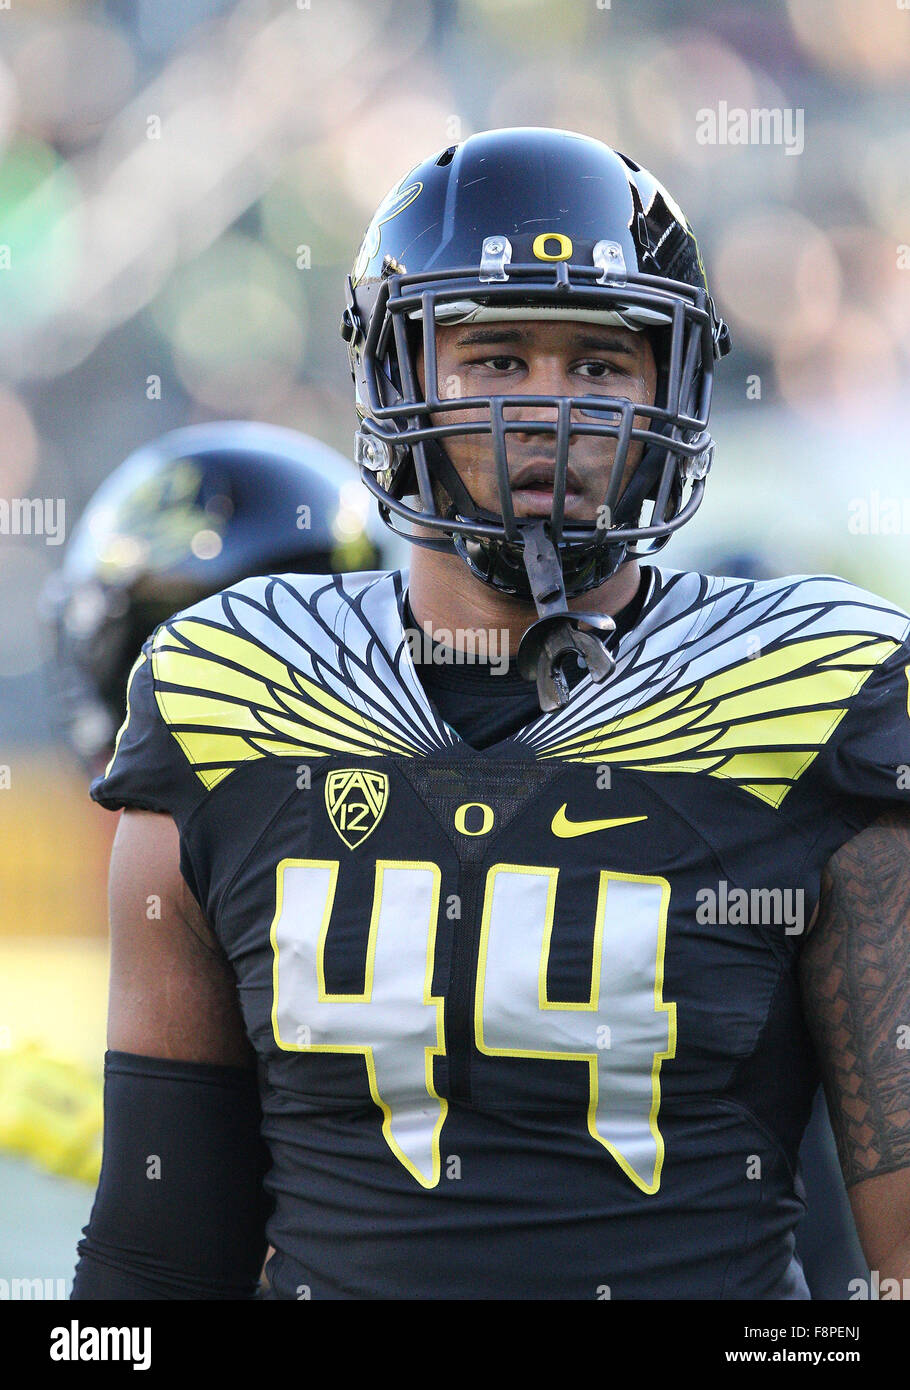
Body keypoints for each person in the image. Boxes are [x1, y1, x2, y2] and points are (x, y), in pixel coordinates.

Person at [72, 128, 910, 1300]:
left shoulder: (815, 690)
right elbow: (157, 1257)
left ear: (674, 384)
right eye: (499, 358)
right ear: (397, 373)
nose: (551, 410)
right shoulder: (228, 691)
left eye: (602, 365)